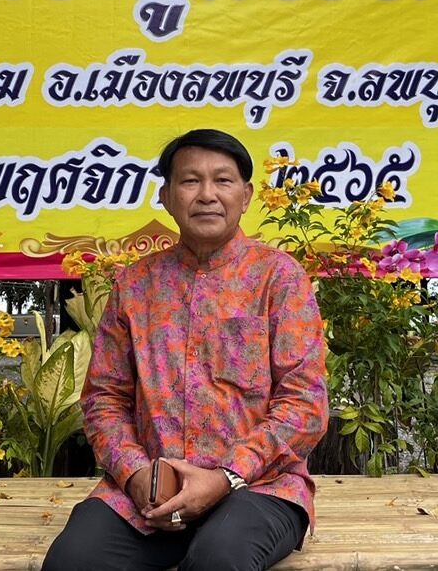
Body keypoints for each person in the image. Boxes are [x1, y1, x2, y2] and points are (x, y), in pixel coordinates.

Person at [43, 129, 329, 571]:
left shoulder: (279, 279)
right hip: (150, 494)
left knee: (218, 558)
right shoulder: (135, 285)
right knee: (73, 559)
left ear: (246, 196)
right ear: (167, 196)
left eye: (223, 180)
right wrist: (136, 473)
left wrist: (225, 476)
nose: (207, 194)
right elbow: (104, 398)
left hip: (259, 488)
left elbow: (305, 405)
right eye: (191, 181)